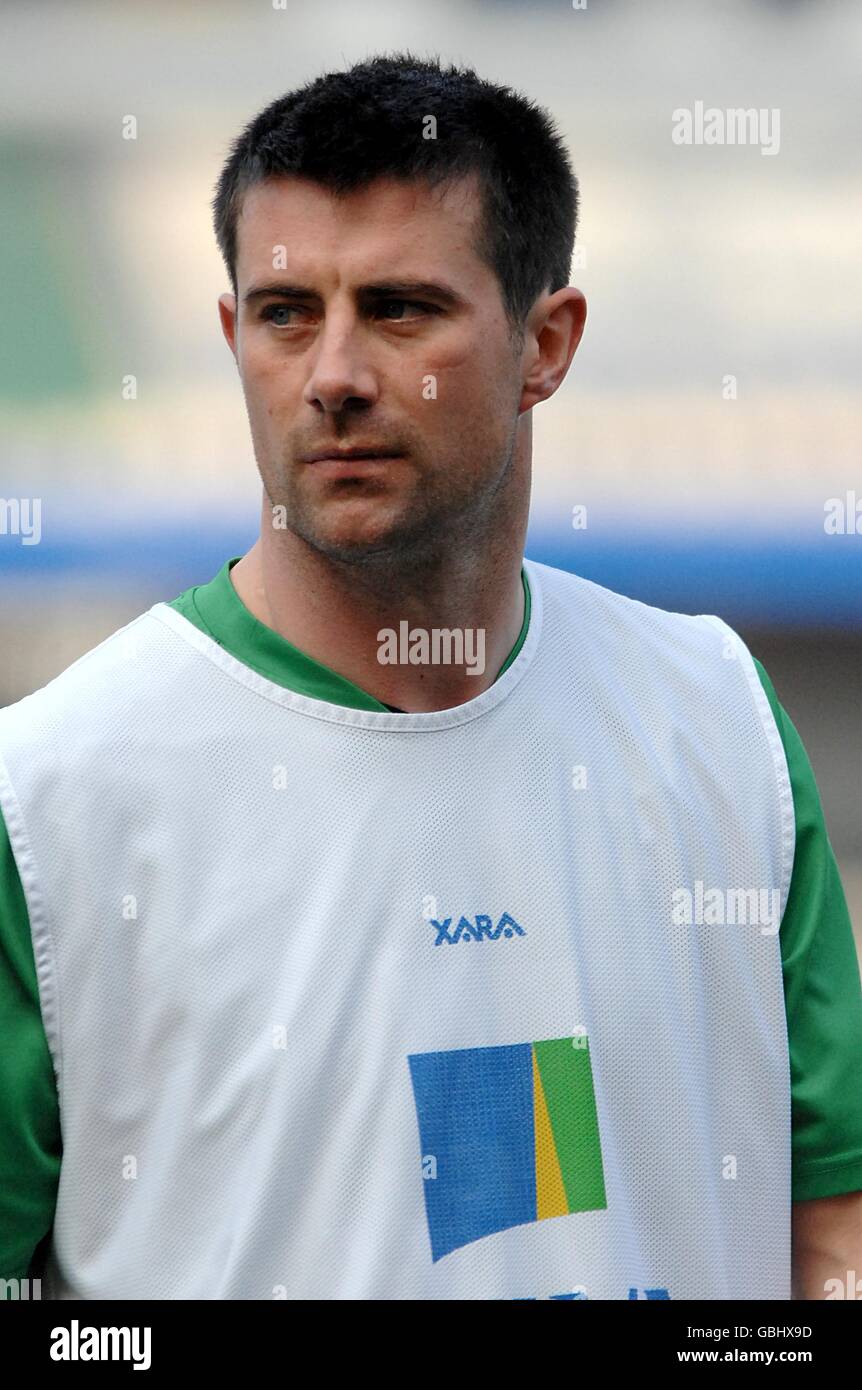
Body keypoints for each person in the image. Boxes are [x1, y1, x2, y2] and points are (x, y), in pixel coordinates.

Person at [1, 52, 860, 1301]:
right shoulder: (46, 799)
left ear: (544, 343)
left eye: (401, 308)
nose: (335, 375)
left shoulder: (719, 719)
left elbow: (830, 1232)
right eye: (288, 314)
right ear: (233, 334)